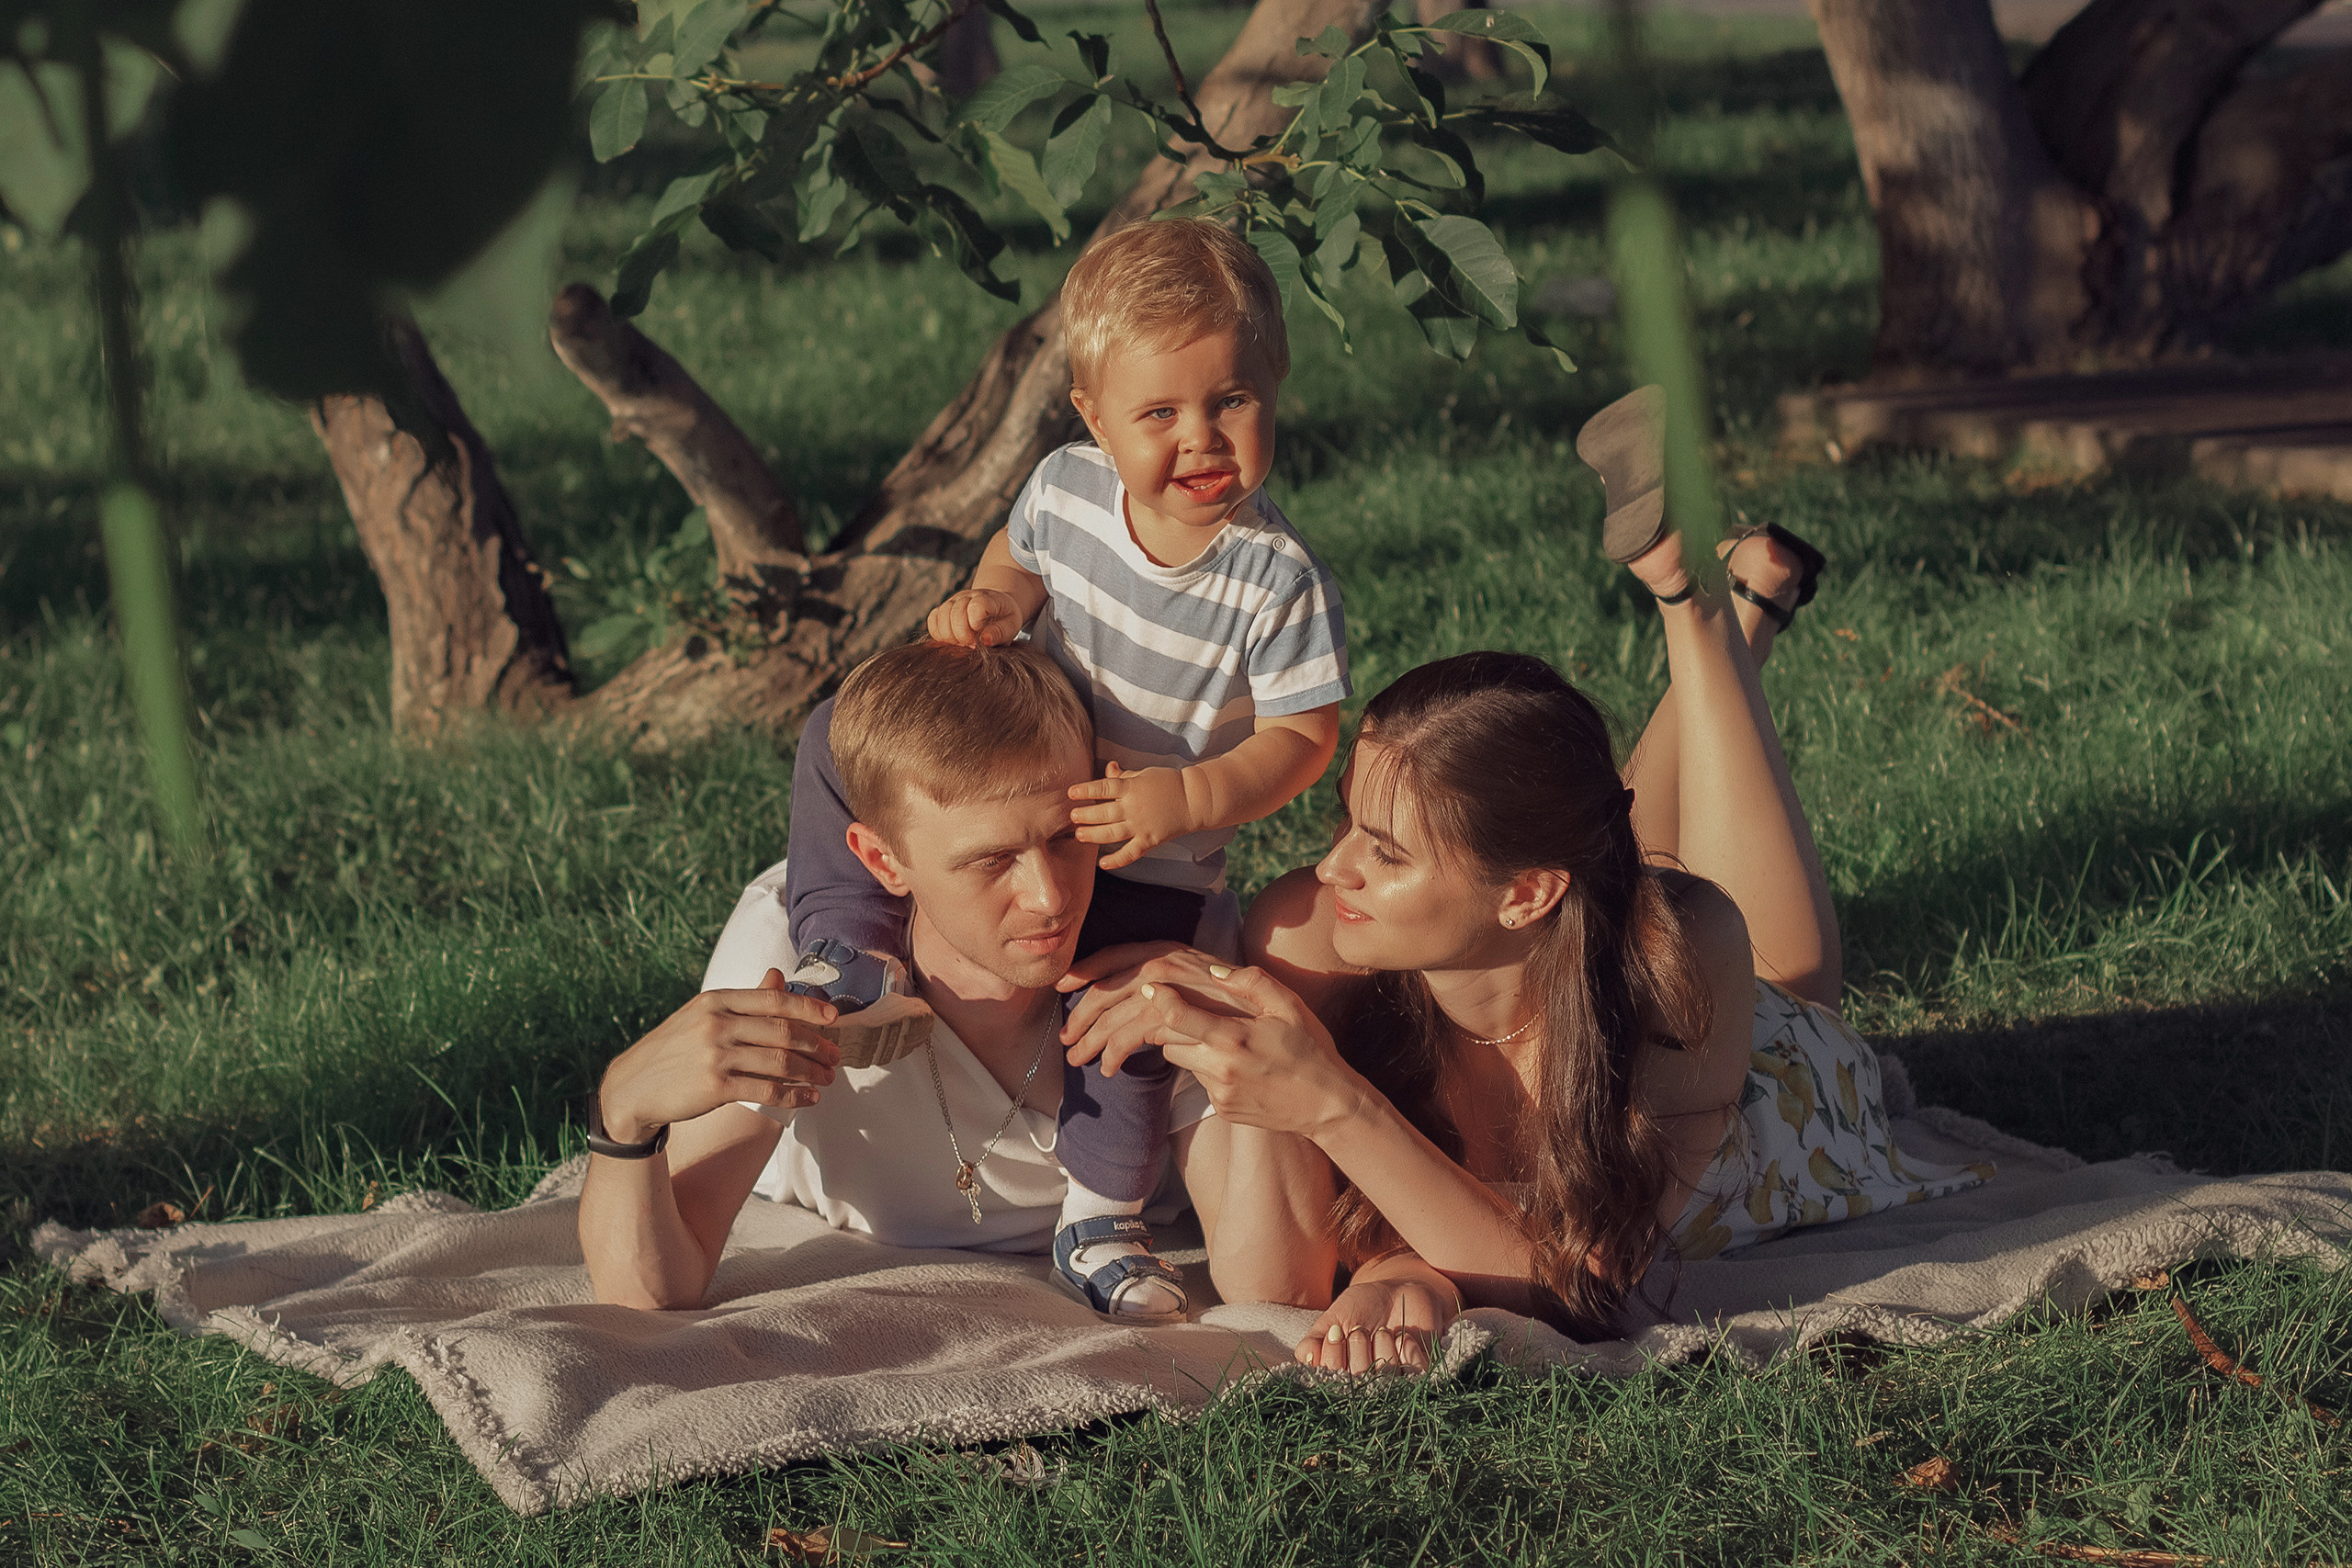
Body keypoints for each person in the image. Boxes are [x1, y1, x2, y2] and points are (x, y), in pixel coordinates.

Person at [1059, 386, 1995, 1373]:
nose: (1329, 866)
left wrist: (1340, 1113)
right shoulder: (1314, 931)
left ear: (1524, 896)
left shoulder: (1683, 967)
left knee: (1776, 974)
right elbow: (1320, 1230)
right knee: (1600, 842)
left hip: (1778, 1093)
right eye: (1346, 823)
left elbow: (1589, 1294)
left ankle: (1709, 609)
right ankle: (1711, 591)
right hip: (1575, 920)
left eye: (1386, 851)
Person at [777, 217, 1350, 1324]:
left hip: (1151, 848)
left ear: (1273, 388)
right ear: (1093, 418)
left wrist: (1188, 797)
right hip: (1034, 760)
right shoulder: (1068, 488)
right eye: (1160, 413)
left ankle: (1098, 1217)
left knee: (1117, 1012)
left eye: (1231, 401)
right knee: (834, 738)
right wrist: (995, 603)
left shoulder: (1275, 579)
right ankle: (850, 949)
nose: (1201, 439)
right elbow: (1015, 559)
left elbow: (1303, 737)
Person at [576, 638, 1333, 1316]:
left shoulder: (1165, 952)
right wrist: (625, 1111)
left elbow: (1281, 1291)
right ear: (881, 860)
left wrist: (1241, 1011)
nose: (1050, 895)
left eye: (1070, 837)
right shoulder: (801, 961)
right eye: (991, 860)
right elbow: (652, 1287)